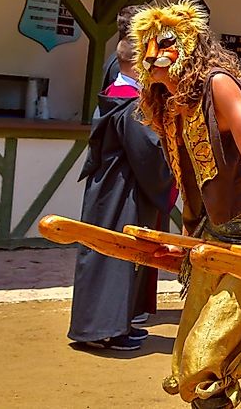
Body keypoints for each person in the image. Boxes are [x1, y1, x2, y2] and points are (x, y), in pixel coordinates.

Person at [130, 0, 241, 409]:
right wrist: (188, 238)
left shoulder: (218, 83)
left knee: (206, 358)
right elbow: (190, 174)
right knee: (186, 356)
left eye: (165, 43)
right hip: (215, 233)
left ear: (188, 45)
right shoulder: (167, 103)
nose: (154, 54)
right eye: (147, 44)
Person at [68, 20, 174, 352]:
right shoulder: (130, 104)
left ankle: (116, 324)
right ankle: (103, 330)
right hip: (122, 191)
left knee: (114, 253)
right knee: (115, 254)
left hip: (113, 188)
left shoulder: (118, 93)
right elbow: (151, 152)